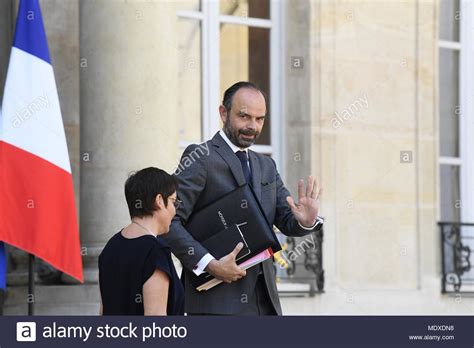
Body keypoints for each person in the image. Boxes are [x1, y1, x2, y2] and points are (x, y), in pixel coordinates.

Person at [164, 81, 324, 315]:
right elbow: (168, 222)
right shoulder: (200, 157)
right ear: (223, 113)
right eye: (244, 116)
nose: (252, 126)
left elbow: (286, 220)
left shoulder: (266, 165)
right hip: (215, 304)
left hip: (265, 303)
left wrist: (305, 221)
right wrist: (210, 264)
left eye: (260, 119)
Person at [99, 167, 184, 315]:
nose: (174, 210)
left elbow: (102, 313)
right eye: (173, 202)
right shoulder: (155, 252)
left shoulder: (110, 247)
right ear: (159, 201)